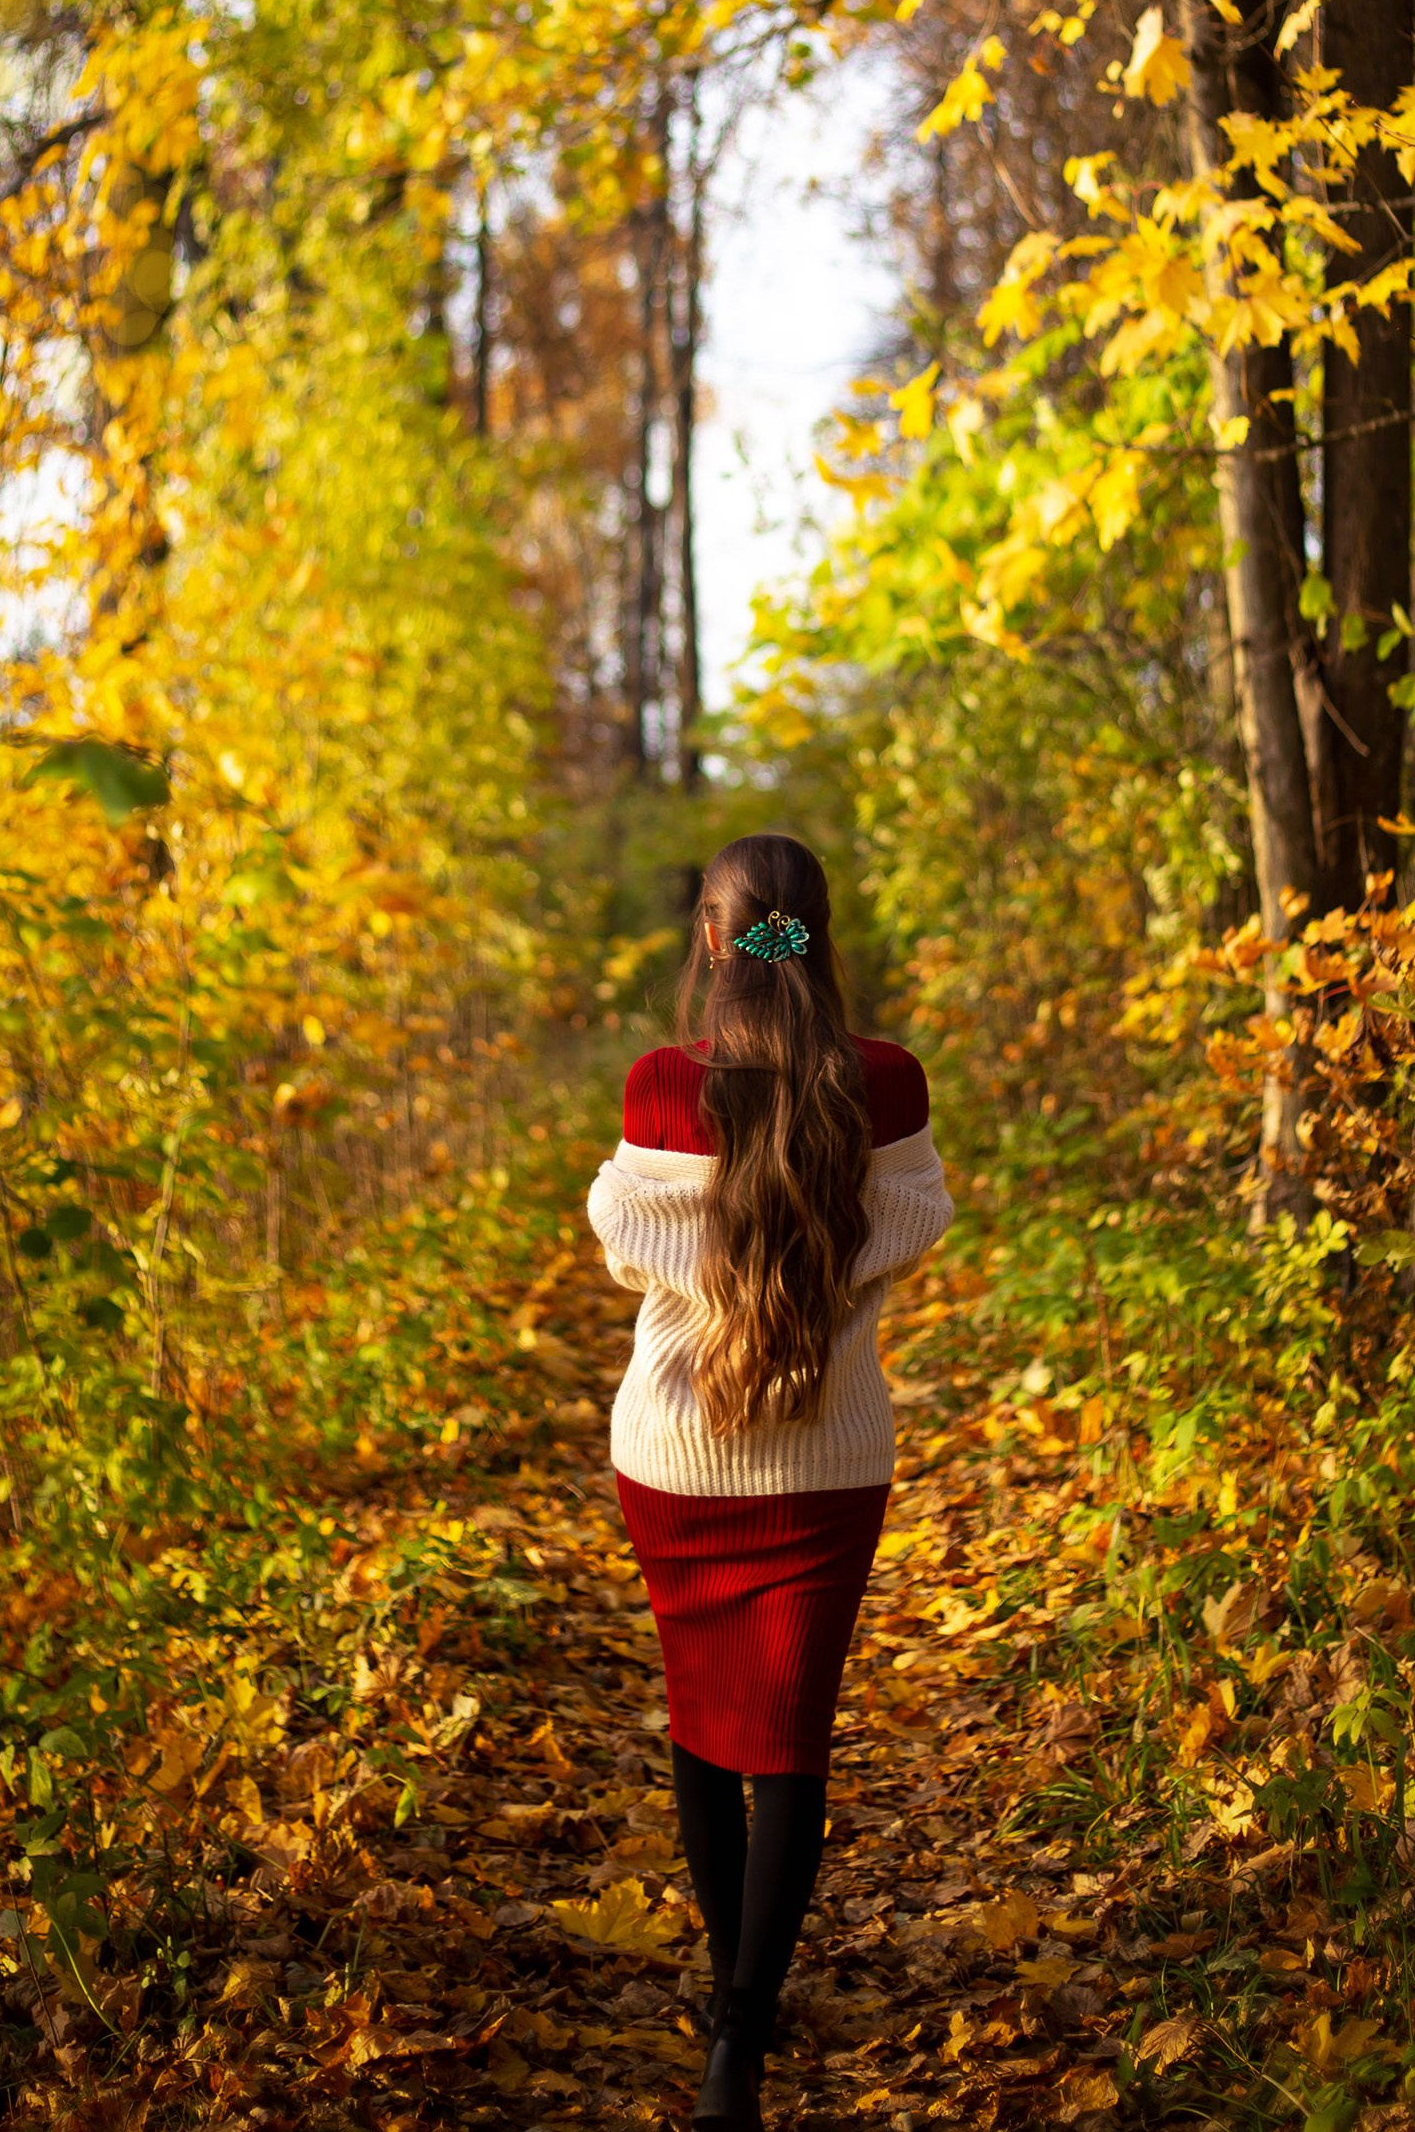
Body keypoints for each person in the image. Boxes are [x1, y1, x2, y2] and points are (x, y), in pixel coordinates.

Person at [587, 832, 953, 2127]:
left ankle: (727, 1997)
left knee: (702, 1714)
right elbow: (907, 1228)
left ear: (713, 938)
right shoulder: (888, 1087)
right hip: (825, 1466)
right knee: (789, 1737)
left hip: (677, 1464)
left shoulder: (656, 1088)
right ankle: (745, 2030)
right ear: (823, 938)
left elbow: (629, 1243)